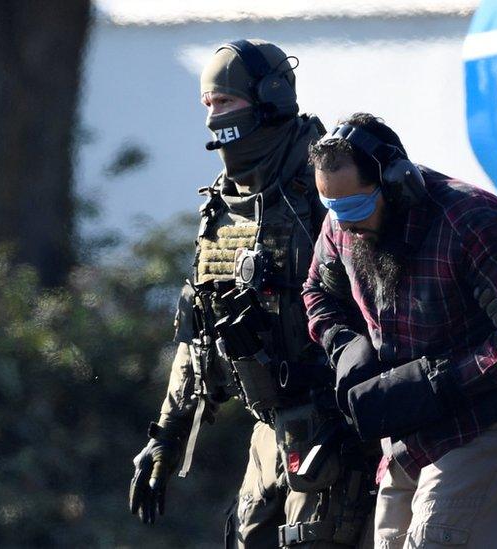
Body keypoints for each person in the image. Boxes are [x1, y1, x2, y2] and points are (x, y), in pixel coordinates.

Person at [128, 39, 376, 548]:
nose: (213, 118)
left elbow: (391, 306)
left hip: (339, 429)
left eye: (225, 103)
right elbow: (197, 336)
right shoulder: (222, 204)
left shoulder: (330, 184)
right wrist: (167, 437)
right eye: (208, 105)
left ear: (271, 98)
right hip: (271, 432)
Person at [301, 113, 497, 548]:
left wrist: (436, 381)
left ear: (398, 182)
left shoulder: (473, 219)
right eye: (333, 209)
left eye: (355, 208)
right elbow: (317, 292)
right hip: (406, 438)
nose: (343, 224)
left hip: (484, 424)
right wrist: (345, 346)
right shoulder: (341, 226)